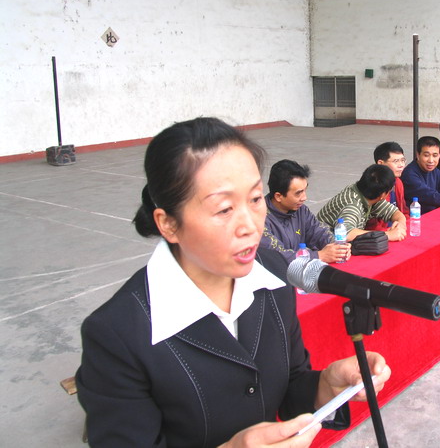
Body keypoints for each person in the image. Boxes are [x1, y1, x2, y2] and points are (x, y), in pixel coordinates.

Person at [75, 117, 390, 448]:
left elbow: (290, 384)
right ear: (168, 224)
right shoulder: (116, 334)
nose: (251, 226)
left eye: (254, 200)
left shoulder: (272, 274)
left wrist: (325, 385)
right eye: (224, 209)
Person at [261, 159, 350, 264]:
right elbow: (278, 257)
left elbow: (318, 232)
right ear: (278, 196)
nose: (304, 198)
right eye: (298, 193)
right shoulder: (259, 220)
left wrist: (337, 246)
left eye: (304, 190)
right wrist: (319, 256)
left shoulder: (301, 210)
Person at [317, 164, 407, 242]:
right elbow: (347, 234)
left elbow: (394, 212)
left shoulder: (369, 194)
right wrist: (387, 235)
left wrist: (400, 225)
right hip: (322, 246)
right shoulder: (353, 205)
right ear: (383, 195)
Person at [367, 142, 410, 231]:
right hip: (382, 233)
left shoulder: (398, 182)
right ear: (380, 163)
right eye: (396, 161)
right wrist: (390, 232)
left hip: (397, 227)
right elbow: (372, 226)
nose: (401, 165)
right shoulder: (374, 187)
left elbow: (404, 210)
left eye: (402, 160)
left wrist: (405, 222)